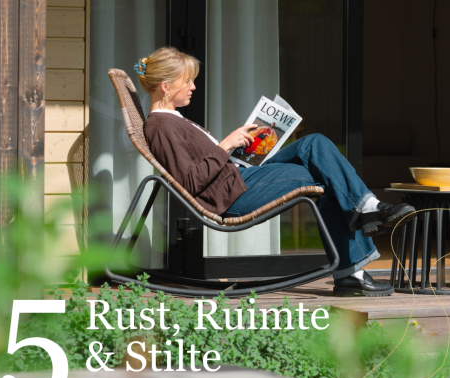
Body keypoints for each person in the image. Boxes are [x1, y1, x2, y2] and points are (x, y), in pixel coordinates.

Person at [135, 47, 415, 297]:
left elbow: (203, 165)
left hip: (238, 179)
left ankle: (361, 228)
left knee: (312, 144)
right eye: (188, 81)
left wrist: (241, 149)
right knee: (326, 176)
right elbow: (191, 180)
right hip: (234, 195)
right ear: (165, 86)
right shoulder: (162, 126)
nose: (193, 86)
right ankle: (359, 243)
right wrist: (225, 145)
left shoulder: (173, 120)